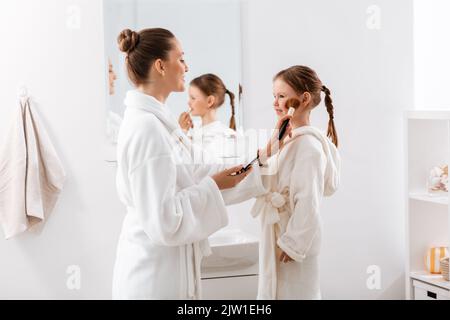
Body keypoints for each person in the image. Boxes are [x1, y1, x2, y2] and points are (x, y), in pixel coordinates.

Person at [111, 28, 279, 300]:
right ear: (160, 66)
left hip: (163, 270)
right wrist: (213, 186)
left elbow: (202, 170)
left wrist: (263, 156)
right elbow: (165, 220)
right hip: (152, 279)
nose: (186, 66)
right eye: (181, 59)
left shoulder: (159, 125)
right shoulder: (147, 129)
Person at [251, 65, 341, 299]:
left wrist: (293, 243)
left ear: (304, 99)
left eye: (281, 96)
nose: (275, 103)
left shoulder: (308, 147)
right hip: (277, 233)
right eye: (274, 96)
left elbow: (309, 201)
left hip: (291, 242)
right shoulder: (286, 141)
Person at [178, 74, 240, 164]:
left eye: (193, 98)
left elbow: (199, 166)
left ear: (209, 101)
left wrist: (181, 134)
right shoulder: (195, 133)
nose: (188, 102)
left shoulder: (222, 136)